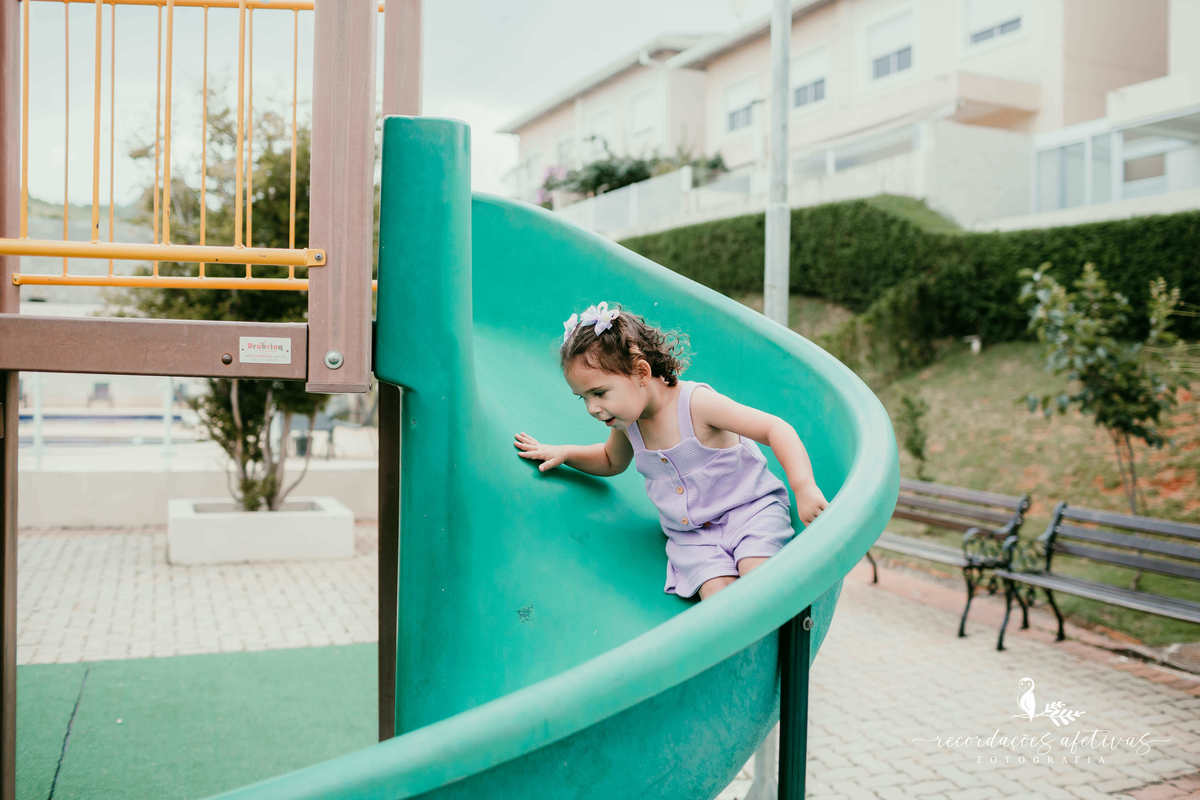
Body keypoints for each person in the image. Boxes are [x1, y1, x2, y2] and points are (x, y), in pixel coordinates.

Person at [514, 302, 828, 601]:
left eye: (599, 392)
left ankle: (783, 625)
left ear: (640, 372)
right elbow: (610, 461)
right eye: (583, 397)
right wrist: (566, 453)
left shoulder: (696, 404)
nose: (592, 408)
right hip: (695, 538)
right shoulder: (628, 423)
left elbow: (775, 429)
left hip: (749, 513)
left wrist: (804, 487)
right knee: (721, 600)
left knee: (756, 582)